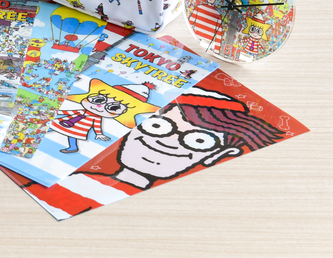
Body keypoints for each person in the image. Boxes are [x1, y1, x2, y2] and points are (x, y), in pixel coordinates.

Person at [15, 85, 285, 218]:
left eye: (198, 140)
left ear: (216, 155)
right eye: (159, 126)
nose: (168, 142)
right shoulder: (71, 182)